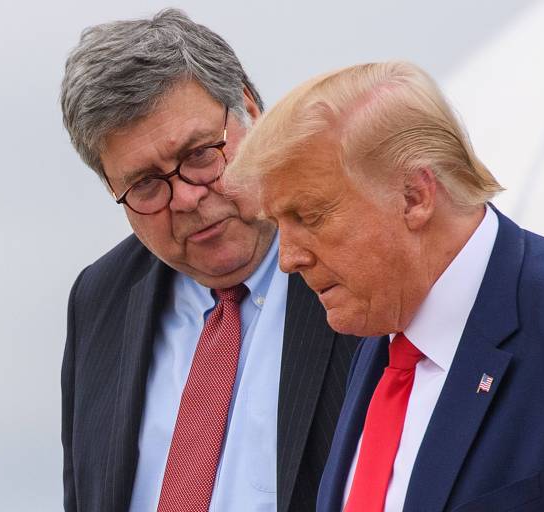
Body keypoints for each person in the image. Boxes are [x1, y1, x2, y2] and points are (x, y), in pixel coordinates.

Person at [225, 61, 544, 511]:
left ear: (415, 196)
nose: (288, 258)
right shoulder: (380, 341)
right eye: (279, 224)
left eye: (310, 216)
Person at [59, 9, 358, 512]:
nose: (186, 198)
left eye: (200, 155)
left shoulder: (357, 258)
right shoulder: (100, 299)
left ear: (251, 111)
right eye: (146, 184)